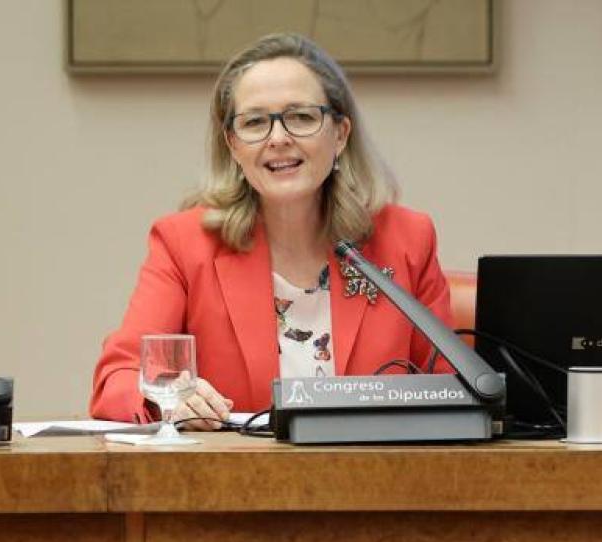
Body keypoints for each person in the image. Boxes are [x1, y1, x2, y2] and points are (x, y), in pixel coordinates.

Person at [90, 33, 452, 428]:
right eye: (255, 122)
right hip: (237, 483)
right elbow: (118, 379)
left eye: (301, 117)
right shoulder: (185, 245)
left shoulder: (406, 239)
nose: (278, 139)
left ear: (340, 134)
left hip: (376, 481)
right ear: (232, 144)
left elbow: (454, 387)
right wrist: (171, 400)